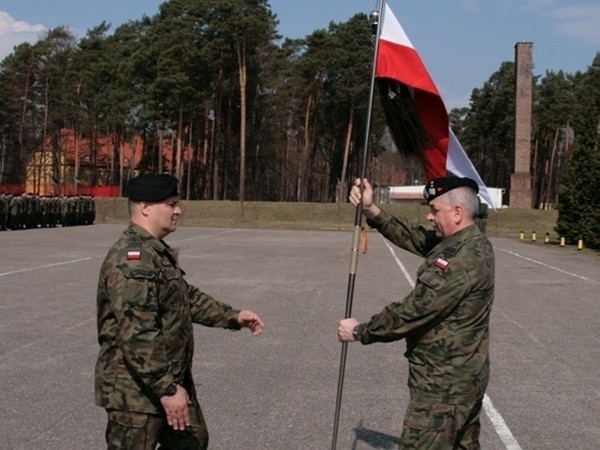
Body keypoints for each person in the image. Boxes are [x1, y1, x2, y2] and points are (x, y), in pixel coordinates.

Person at [95, 173, 265, 450]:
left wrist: (232, 316)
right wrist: (167, 388)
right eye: (171, 204)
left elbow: (186, 298)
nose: (178, 211)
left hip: (166, 380)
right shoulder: (133, 260)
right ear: (146, 207)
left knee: (192, 440)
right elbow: (138, 333)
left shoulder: (154, 253)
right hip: (136, 393)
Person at [338, 177, 494, 449]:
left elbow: (413, 312)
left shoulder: (460, 259)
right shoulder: (469, 242)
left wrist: (359, 331)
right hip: (463, 383)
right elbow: (415, 236)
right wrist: (371, 209)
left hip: (442, 391)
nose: (429, 215)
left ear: (457, 212)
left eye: (434, 209)